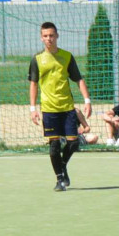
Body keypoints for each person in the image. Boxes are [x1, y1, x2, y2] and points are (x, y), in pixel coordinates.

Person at [28, 21, 92, 191]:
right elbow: (33, 84)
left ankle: (62, 166)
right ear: (41, 38)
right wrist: (33, 108)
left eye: (51, 35)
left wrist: (87, 100)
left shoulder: (67, 56)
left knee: (73, 143)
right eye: (45, 36)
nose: (49, 39)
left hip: (67, 108)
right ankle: (59, 180)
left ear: (57, 36)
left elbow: (78, 79)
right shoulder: (37, 59)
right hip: (49, 110)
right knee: (54, 146)